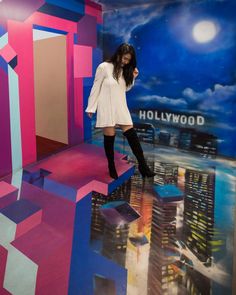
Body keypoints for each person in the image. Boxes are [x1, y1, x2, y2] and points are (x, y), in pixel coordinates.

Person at [85, 43, 155, 179]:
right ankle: (111, 165)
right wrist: (91, 107)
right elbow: (96, 86)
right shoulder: (104, 67)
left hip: (120, 105)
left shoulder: (125, 70)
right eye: (124, 58)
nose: (125, 62)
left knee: (132, 135)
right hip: (106, 106)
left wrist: (133, 77)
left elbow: (125, 89)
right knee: (109, 138)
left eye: (128, 60)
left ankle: (143, 165)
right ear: (118, 54)